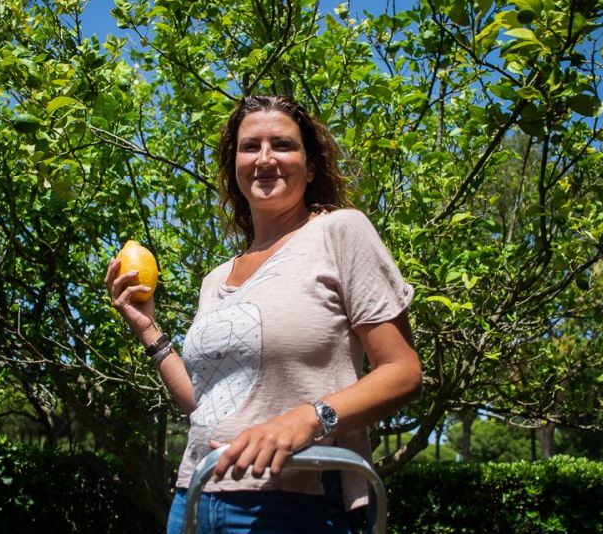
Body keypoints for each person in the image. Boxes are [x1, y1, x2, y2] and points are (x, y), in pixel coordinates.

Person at [106, 94, 421, 533]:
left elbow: (403, 372)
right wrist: (148, 329)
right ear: (234, 165)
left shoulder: (340, 232)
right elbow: (209, 406)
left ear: (310, 167)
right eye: (250, 146)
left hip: (296, 501)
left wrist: (308, 418)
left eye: (284, 145)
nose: (266, 158)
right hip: (194, 499)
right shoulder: (217, 278)